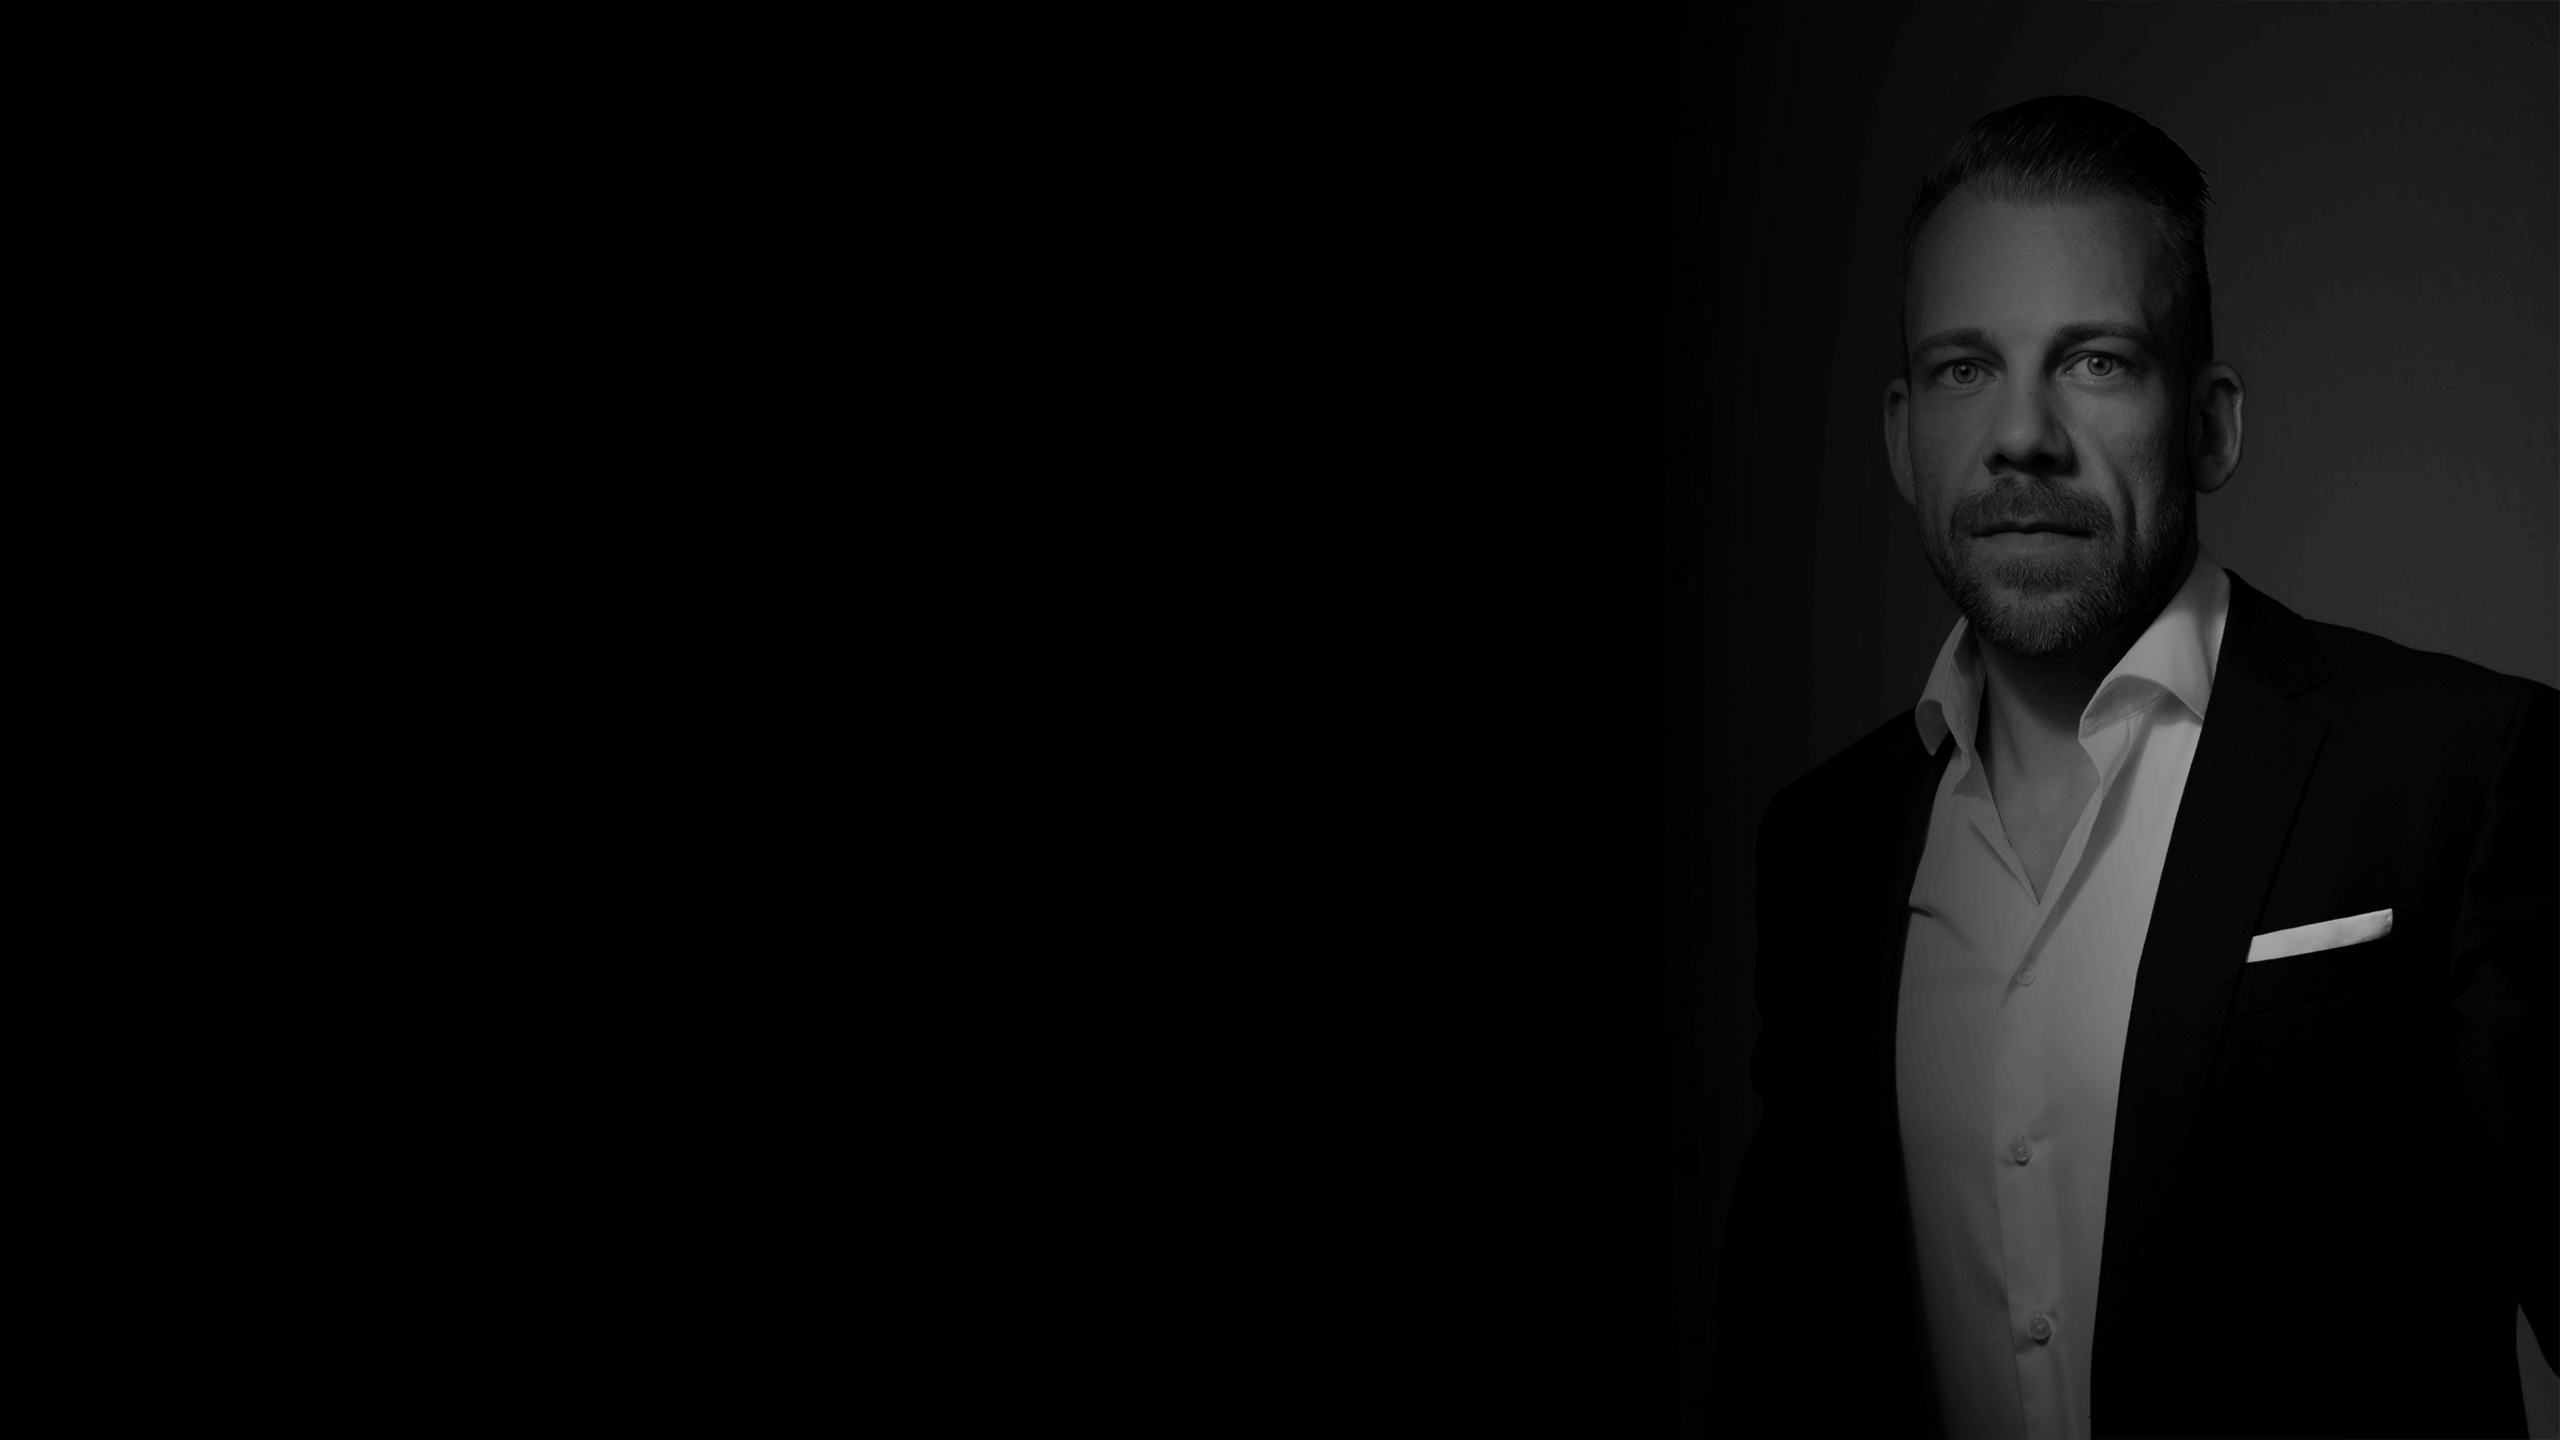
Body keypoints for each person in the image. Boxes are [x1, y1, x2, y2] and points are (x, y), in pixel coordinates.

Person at [1708, 95, 2554, 1439]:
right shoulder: (1822, 848)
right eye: (1964, 369)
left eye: (2096, 361)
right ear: (1902, 437)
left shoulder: (2457, 767)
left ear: (2210, 425)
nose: (2022, 435)